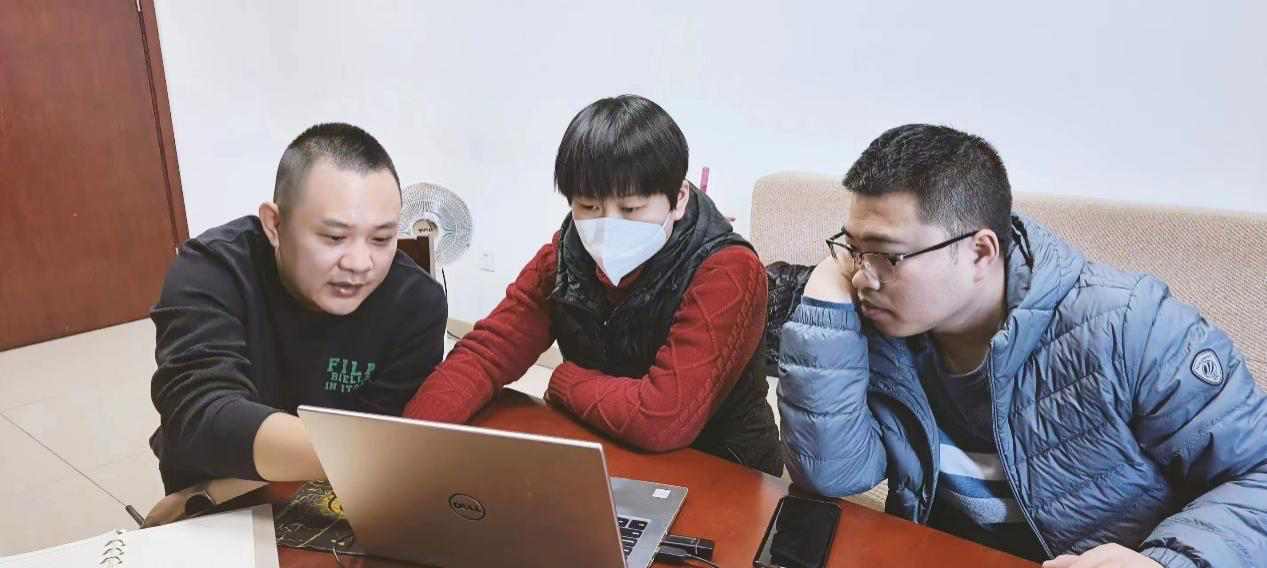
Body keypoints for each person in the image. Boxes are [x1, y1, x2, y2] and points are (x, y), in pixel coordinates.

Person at [777, 124, 1267, 567]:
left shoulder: (1131, 326)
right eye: (852, 248)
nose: (862, 275)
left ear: (980, 252)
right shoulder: (883, 325)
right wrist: (826, 298)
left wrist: (1165, 562)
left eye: (886, 255)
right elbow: (833, 474)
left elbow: (1257, 473)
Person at [402, 95, 782, 475]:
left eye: (631, 209)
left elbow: (662, 417)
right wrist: (408, 448)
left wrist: (564, 381)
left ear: (678, 198)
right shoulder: (565, 254)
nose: (608, 226)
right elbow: (487, 354)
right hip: (606, 448)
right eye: (589, 207)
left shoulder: (727, 270)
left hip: (721, 468)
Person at [145, 123, 447, 523]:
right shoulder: (211, 271)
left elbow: (379, 437)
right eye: (334, 237)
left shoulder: (416, 303)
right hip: (221, 497)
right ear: (274, 224)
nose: (360, 264)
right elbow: (201, 417)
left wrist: (209, 495)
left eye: (381, 239)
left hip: (333, 498)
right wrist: (210, 495)